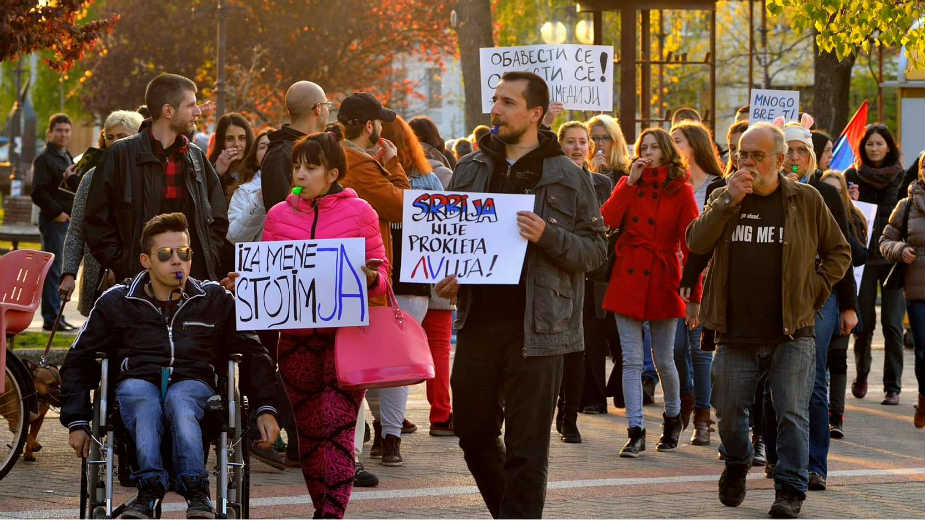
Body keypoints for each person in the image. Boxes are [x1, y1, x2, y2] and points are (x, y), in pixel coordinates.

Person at [435, 71, 606, 518]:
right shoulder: (471, 168)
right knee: (472, 432)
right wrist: (449, 275)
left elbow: (595, 251)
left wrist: (548, 235)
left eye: (508, 102)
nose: (496, 109)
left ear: (535, 113)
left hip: (541, 328)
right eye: (495, 100)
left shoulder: (568, 175)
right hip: (478, 322)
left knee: (527, 450)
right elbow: (454, 241)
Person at [60, 212, 280, 519]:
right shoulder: (116, 302)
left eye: (184, 253)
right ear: (145, 260)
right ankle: (149, 490)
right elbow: (78, 361)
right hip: (136, 385)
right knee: (141, 396)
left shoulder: (215, 299)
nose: (177, 261)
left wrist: (266, 407)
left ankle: (196, 491)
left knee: (180, 399)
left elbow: (255, 354)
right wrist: (78, 421)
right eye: (165, 254)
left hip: (194, 386)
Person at [687, 122, 851, 518]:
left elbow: (839, 253)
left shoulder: (806, 199)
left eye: (757, 156)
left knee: (792, 413)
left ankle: (791, 489)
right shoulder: (722, 194)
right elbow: (695, 242)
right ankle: (738, 463)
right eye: (742, 154)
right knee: (728, 410)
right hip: (734, 331)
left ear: (780, 161)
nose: (746, 162)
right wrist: (728, 200)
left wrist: (813, 291)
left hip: (792, 331)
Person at [259, 130, 389, 518]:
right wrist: (246, 282)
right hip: (296, 342)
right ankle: (323, 507)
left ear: (333, 173)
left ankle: (331, 512)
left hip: (346, 340)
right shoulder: (277, 215)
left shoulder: (362, 212)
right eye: (297, 165)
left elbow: (383, 273)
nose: (300, 173)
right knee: (312, 434)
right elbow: (268, 275)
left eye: (311, 167)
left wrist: (370, 278)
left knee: (337, 424)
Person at [600, 127, 699, 458]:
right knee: (630, 360)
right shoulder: (629, 183)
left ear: (667, 151)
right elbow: (607, 220)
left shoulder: (681, 191)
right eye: (644, 147)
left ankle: (673, 418)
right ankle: (635, 430)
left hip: (663, 277)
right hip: (629, 276)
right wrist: (629, 182)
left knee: (664, 359)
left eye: (655, 147)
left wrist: (694, 294)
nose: (649, 152)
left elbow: (691, 245)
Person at [85, 72, 228, 283]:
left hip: (190, 283)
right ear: (168, 110)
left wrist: (205, 259)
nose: (198, 111)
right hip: (137, 284)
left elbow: (217, 216)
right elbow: (96, 221)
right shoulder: (120, 155)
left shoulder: (196, 157)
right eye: (191, 105)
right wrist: (125, 264)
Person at [780, 117, 858, 492]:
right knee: (777, 379)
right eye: (788, 151)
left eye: (801, 151)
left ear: (811, 156)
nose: (795, 158)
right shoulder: (768, 193)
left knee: (813, 379)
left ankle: (815, 464)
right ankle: (783, 457)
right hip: (777, 298)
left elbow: (839, 252)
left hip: (821, 298)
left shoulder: (826, 193)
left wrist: (848, 306)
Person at [336, 92, 411, 466]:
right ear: (370, 127)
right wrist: (394, 163)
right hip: (365, 276)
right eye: (379, 122)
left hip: (352, 272)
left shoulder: (339, 156)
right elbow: (403, 204)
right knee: (363, 369)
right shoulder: (359, 164)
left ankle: (367, 443)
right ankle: (353, 454)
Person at [554, 120, 613, 443]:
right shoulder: (553, 182)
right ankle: (557, 409)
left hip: (591, 275)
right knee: (558, 348)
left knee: (582, 347)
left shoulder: (602, 183)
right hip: (560, 269)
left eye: (582, 142)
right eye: (570, 142)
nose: (577, 147)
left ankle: (569, 415)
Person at [669, 121, 723, 445]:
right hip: (674, 276)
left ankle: (703, 414)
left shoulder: (720, 186)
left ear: (696, 145)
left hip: (708, 275)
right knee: (673, 350)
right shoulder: (674, 185)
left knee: (700, 349)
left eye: (678, 140)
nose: (672, 146)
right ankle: (686, 397)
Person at [59, 110, 144, 316]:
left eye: (122, 136)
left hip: (141, 272)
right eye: (110, 136)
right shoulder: (91, 178)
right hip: (98, 272)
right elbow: (77, 229)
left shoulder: (147, 174)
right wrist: (69, 273)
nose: (115, 142)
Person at [845, 124, 907, 405]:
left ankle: (892, 386)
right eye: (870, 143)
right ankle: (861, 375)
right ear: (863, 147)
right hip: (864, 260)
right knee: (864, 324)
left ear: (889, 147)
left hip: (894, 260)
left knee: (893, 325)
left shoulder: (902, 177)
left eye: (879, 143)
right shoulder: (852, 176)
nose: (874, 148)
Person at [820, 169, 869, 437]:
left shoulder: (853, 217)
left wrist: (842, 233)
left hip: (844, 296)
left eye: (835, 191)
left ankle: (835, 417)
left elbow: (860, 254)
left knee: (837, 358)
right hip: (821, 295)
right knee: (820, 360)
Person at [879, 159, 925, 428]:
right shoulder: (906, 206)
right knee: (923, 353)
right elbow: (884, 241)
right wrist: (900, 250)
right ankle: (923, 397)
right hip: (917, 292)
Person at [31, 113, 78, 331]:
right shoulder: (44, 159)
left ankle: (58, 317)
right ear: (50, 132)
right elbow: (38, 193)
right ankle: (51, 319)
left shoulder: (66, 155)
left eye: (67, 130)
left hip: (67, 221)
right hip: (53, 222)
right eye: (59, 130)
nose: (63, 134)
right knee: (53, 272)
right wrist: (57, 213)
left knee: (61, 270)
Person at [261, 81, 332, 210]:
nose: (329, 111)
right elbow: (280, 205)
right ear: (318, 109)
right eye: (327, 105)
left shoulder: (317, 147)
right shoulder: (280, 154)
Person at [226, 128, 271, 243]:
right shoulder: (243, 192)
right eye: (262, 146)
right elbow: (235, 237)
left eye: (272, 146)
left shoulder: (299, 186)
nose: (268, 150)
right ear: (255, 159)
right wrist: (258, 202)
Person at [207, 112, 254, 201]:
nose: (236, 144)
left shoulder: (256, 168)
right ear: (221, 142)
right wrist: (217, 173)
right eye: (230, 139)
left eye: (242, 138)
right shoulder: (209, 168)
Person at [586, 114, 631, 184]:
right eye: (594, 138)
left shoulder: (627, 170)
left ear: (615, 141)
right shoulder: (581, 168)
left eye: (606, 138)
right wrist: (591, 172)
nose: (600, 143)